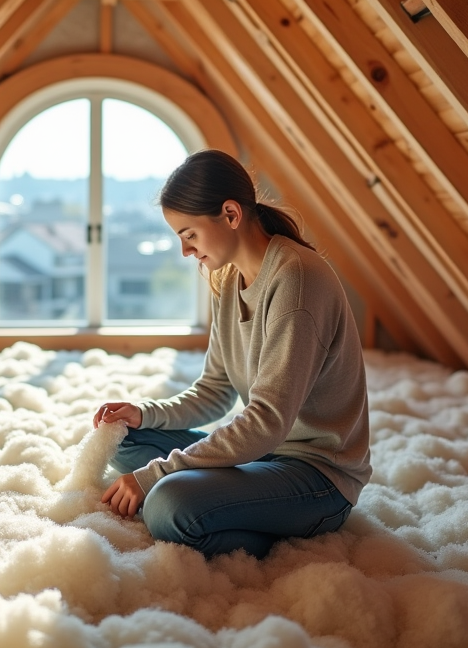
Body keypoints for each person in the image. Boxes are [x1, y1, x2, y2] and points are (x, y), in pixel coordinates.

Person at [93, 149, 371, 559]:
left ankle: (278, 534)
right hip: (264, 456)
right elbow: (215, 390)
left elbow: (267, 422)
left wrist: (156, 475)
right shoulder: (227, 277)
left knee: (168, 504)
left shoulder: (296, 281)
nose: (186, 252)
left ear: (230, 213)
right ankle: (235, 505)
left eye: (189, 234)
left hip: (317, 477)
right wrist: (143, 413)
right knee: (122, 440)